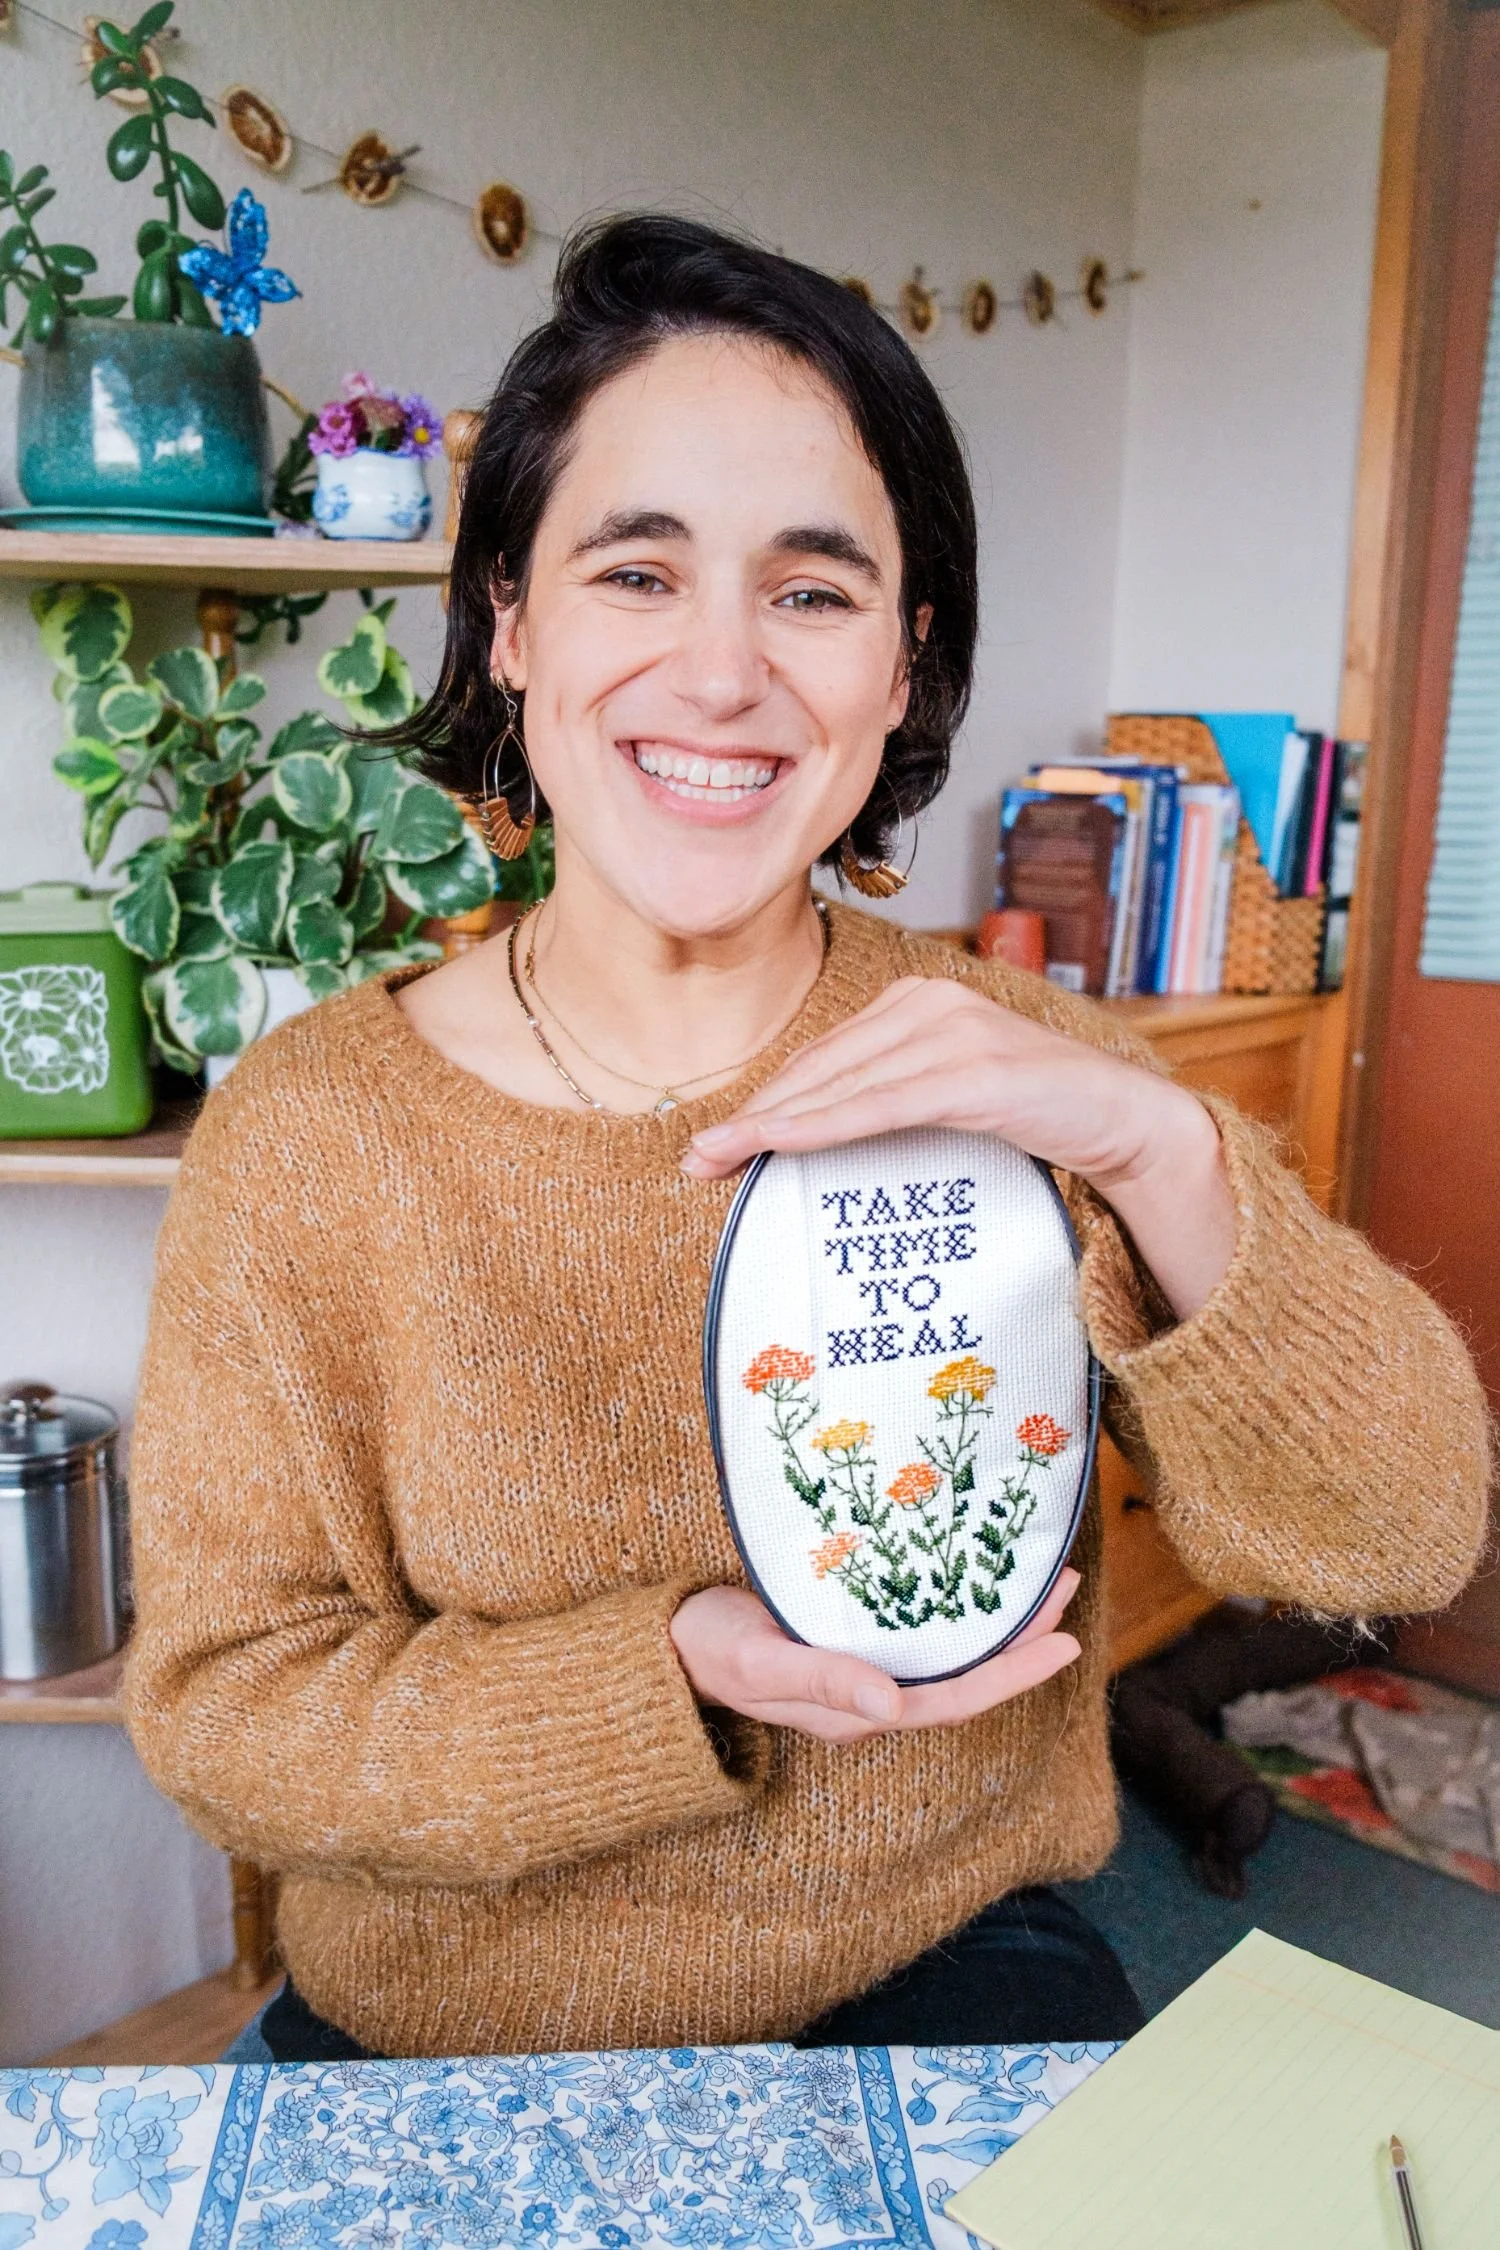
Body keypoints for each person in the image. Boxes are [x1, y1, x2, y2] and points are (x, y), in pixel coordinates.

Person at [127, 215, 1488, 2065]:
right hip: (439, 2027)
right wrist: (671, 1669)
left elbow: (1404, 1528)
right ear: (511, 624)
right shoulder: (310, 1142)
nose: (720, 673)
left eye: (815, 590)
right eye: (636, 572)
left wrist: (1165, 1149)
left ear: (908, 662)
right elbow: (226, 1712)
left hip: (945, 1964)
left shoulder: (1027, 1073)